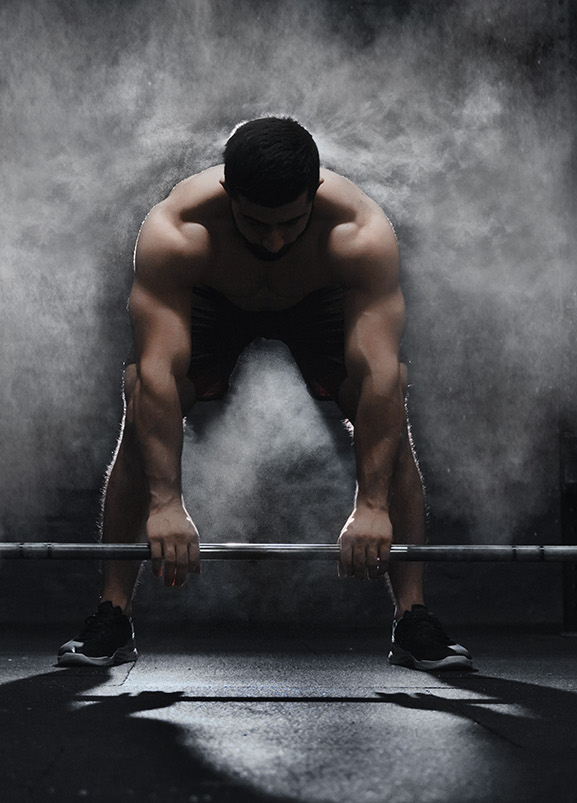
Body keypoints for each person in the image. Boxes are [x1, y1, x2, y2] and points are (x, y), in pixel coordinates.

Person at [57, 116, 472, 671]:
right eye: (255, 224)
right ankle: (113, 613)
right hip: (215, 296)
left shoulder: (359, 235)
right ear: (227, 192)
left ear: (316, 192)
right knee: (144, 396)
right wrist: (165, 503)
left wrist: (371, 506)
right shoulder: (177, 233)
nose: (274, 240)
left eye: (290, 222)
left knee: (388, 394)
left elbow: (376, 377)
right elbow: (158, 371)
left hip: (319, 297)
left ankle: (412, 617)